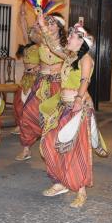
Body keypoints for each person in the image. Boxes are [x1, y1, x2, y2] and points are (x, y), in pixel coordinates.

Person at [38, 18, 108, 208]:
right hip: (63, 106)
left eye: (72, 36)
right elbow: (53, 47)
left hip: (78, 108)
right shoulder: (69, 57)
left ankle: (81, 191)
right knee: (49, 142)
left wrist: (78, 100)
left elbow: (85, 81)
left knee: (76, 150)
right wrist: (42, 25)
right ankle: (61, 182)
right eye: (69, 35)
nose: (68, 38)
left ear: (82, 41)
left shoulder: (86, 59)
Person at [16, 12, 66, 161]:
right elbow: (31, 33)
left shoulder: (65, 44)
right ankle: (26, 148)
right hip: (41, 83)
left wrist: (43, 27)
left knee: (56, 118)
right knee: (27, 114)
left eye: (52, 23)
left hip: (58, 84)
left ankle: (56, 149)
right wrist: (37, 22)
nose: (49, 25)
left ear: (59, 27)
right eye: (48, 22)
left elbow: (58, 49)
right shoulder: (41, 39)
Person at [12, 2, 40, 135]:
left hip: (36, 78)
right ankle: (21, 124)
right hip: (26, 76)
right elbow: (23, 26)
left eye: (35, 29)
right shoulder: (28, 43)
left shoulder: (43, 45)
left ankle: (30, 127)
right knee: (18, 102)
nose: (32, 31)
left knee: (31, 104)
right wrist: (22, 12)